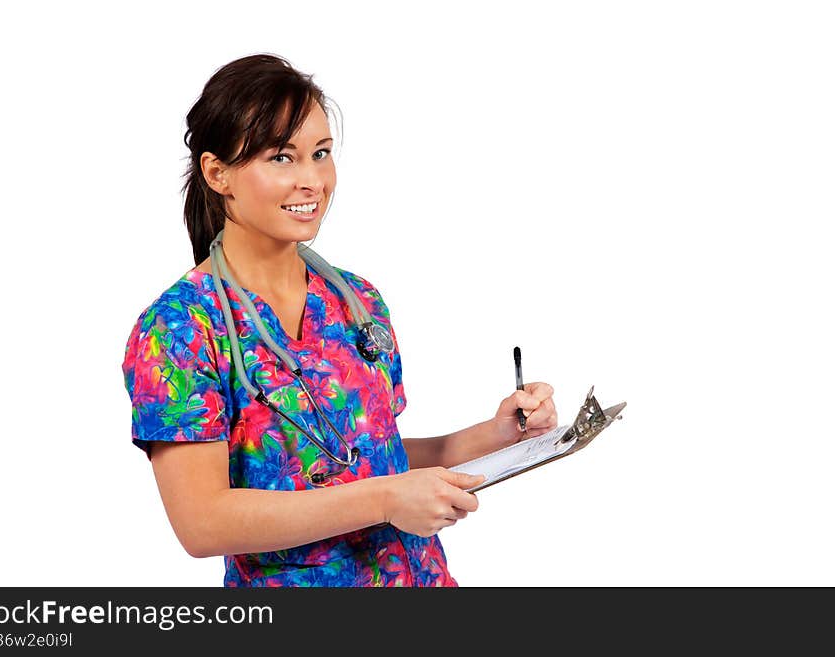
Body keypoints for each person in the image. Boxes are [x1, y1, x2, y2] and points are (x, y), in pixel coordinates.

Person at [120, 53, 558, 587]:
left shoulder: (357, 302)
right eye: (282, 157)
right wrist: (385, 500)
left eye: (321, 154)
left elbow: (376, 457)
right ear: (218, 173)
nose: (312, 180)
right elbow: (202, 523)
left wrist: (499, 434)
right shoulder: (178, 330)